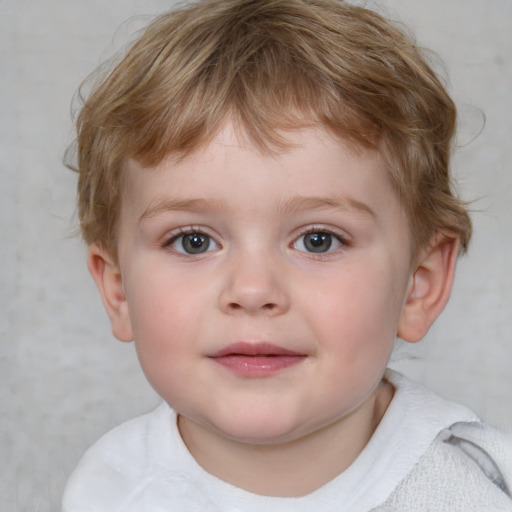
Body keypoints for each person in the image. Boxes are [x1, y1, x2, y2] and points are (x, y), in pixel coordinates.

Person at [62, 0, 512, 510]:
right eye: (193, 241)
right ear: (118, 288)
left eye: (319, 240)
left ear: (419, 284)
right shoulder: (110, 490)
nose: (253, 291)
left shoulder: (474, 493)